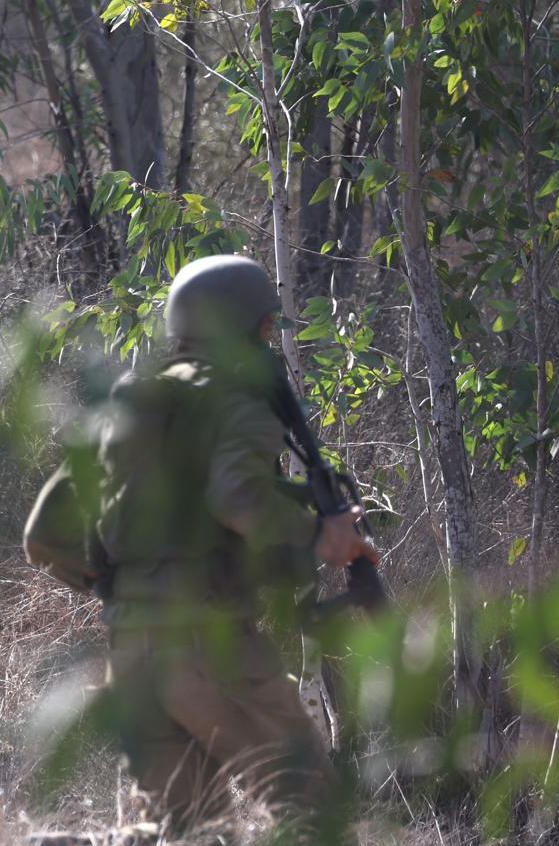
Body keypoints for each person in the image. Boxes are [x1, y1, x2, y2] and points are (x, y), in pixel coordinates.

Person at [25, 254, 380, 836]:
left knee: (190, 829)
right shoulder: (236, 402)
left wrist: (132, 596)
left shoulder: (130, 405)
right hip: (210, 651)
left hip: (131, 655)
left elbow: (42, 537)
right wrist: (322, 535)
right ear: (248, 329)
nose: (270, 338)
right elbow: (236, 500)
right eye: (267, 327)